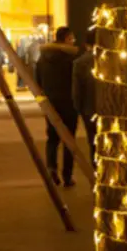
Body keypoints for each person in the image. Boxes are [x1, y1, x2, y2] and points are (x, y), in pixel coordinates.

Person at [35, 26, 80, 188]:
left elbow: (37, 81)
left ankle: (51, 168)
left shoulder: (43, 59)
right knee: (69, 140)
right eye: (72, 38)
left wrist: (43, 99)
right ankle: (67, 175)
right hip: (69, 103)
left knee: (52, 138)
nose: (73, 41)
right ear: (67, 38)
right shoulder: (71, 59)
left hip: (50, 103)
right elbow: (76, 83)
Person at [72, 28, 97, 166]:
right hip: (109, 109)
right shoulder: (113, 61)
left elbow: (77, 91)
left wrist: (79, 109)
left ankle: (97, 173)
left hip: (89, 110)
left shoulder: (80, 63)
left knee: (93, 142)